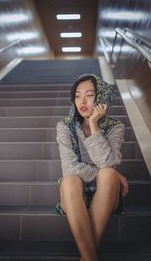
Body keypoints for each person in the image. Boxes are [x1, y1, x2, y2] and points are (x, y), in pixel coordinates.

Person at [55, 74, 129, 261]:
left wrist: (94, 125)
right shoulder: (65, 126)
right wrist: (112, 173)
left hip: (106, 194)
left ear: (100, 98)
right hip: (74, 196)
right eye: (78, 95)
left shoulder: (115, 127)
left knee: (107, 173)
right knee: (71, 180)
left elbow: (107, 162)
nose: (82, 101)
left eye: (89, 95)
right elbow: (70, 168)